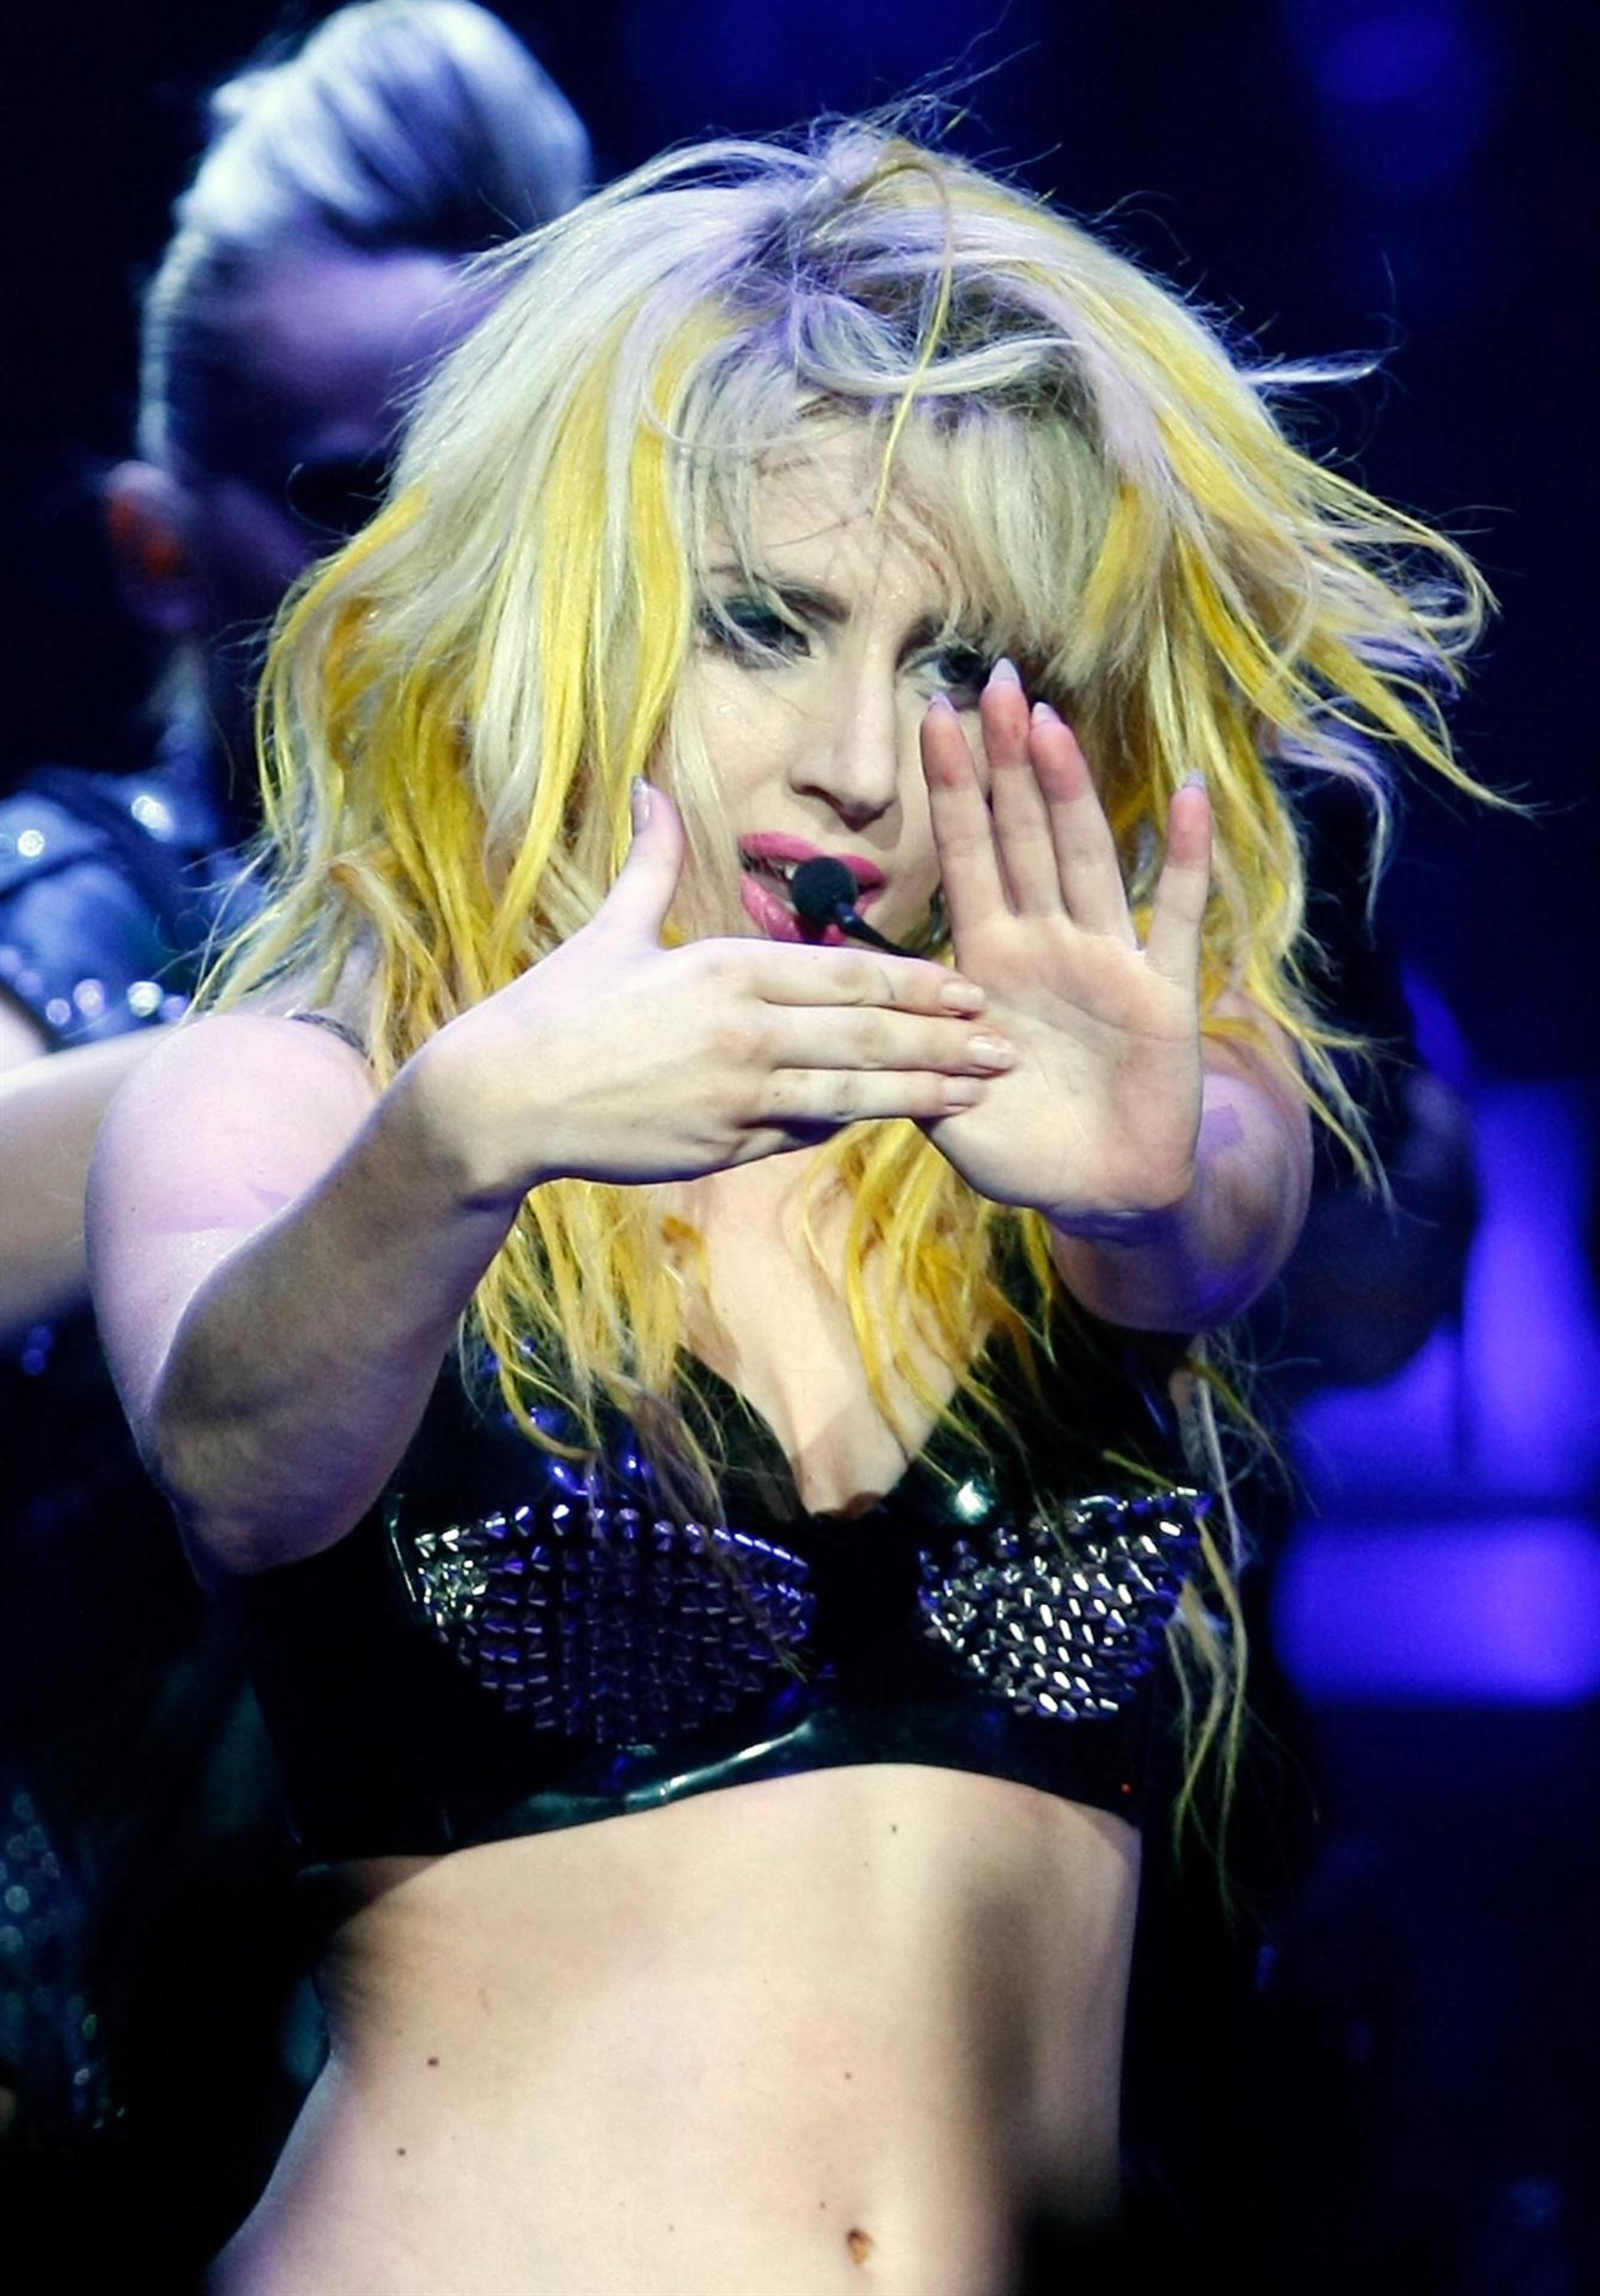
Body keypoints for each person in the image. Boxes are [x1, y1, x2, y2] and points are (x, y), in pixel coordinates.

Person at [88, 120, 1486, 2293]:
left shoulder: (1085, 1086)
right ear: (577, 602)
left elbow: (1220, 1219)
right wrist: (458, 1145)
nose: (859, 756)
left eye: (956, 665)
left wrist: (1158, 1185)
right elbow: (243, 1472)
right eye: (767, 623)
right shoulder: (308, 1087)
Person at [0, 3, 588, 2275]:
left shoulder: (740, 894)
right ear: (157, 545)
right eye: (356, 489)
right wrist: (415, 1062)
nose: (447, 554)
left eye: (514, 467)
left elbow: (1357, 1278)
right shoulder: (75, 906)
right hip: (151, 2106)